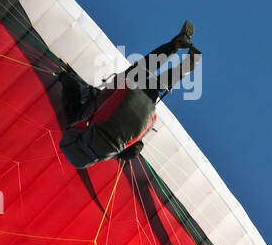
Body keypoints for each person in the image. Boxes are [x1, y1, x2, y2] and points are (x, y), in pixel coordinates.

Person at [59, 22, 201, 168]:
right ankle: (176, 44)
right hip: (119, 99)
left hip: (142, 114)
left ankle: (186, 66)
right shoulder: (75, 119)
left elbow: (136, 150)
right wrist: (64, 76)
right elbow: (71, 92)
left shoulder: (110, 154)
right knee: (139, 71)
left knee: (155, 86)